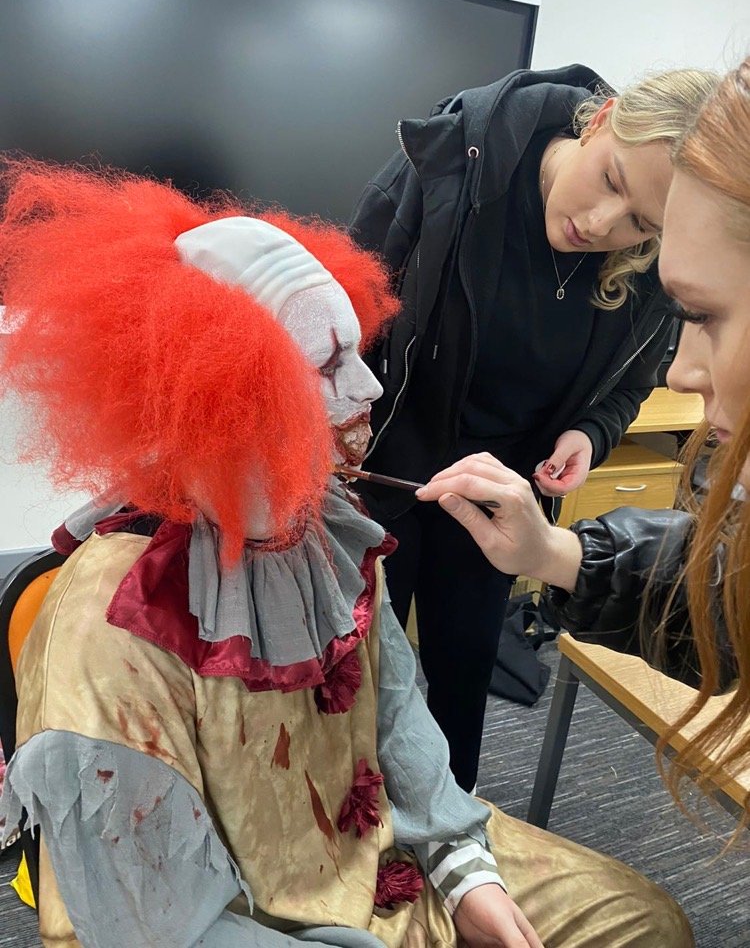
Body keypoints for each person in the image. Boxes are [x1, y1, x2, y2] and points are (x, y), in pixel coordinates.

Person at [0, 160, 693, 947]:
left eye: (357, 350)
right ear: (224, 392)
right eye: (329, 364)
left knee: (644, 921)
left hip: (383, 850)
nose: (368, 385)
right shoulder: (116, 626)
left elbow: (396, 708)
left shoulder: (328, 528)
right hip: (245, 918)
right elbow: (158, 926)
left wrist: (465, 873)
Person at [348, 62, 719, 791]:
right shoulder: (455, 158)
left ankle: (452, 831)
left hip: (497, 500)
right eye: (612, 181)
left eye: (642, 223)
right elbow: (344, 308)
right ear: (603, 117)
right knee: (360, 678)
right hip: (382, 473)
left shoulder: (649, 266)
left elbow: (633, 380)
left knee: (462, 671)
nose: (602, 227)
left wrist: (588, 434)